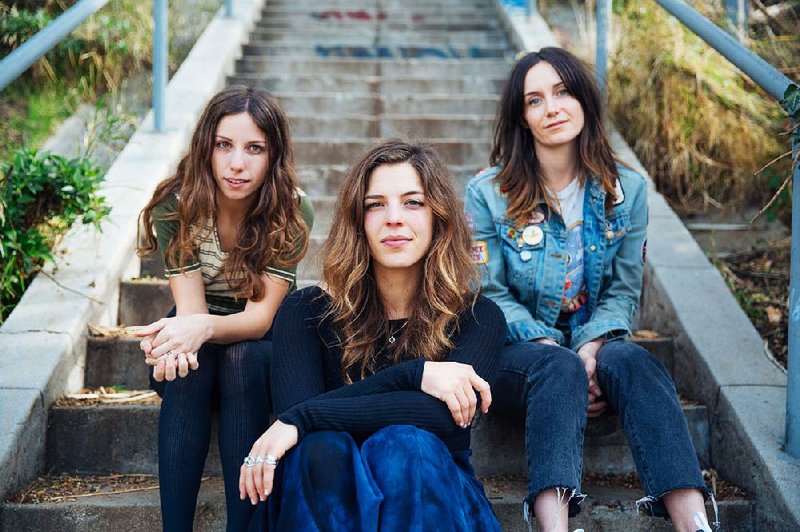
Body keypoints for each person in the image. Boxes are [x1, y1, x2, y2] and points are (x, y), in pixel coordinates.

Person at [464, 48, 716, 532]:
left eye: (562, 92)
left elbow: (623, 291)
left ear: (583, 99)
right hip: (519, 357)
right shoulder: (487, 193)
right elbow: (488, 292)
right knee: (556, 365)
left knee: (634, 360)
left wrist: (592, 349)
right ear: (522, 118)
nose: (552, 108)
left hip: (594, 351)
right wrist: (556, 351)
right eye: (534, 100)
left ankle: (694, 524)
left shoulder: (629, 192)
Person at [239, 140, 506, 531]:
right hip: (327, 499)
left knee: (406, 446)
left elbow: (439, 417)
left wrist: (307, 416)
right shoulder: (306, 312)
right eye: (375, 204)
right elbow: (301, 421)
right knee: (319, 449)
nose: (394, 218)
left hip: (433, 501)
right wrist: (416, 377)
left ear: (438, 217)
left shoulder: (478, 317)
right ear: (358, 221)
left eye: (413, 202)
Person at [135, 85, 314, 531]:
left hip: (260, 351)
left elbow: (259, 320)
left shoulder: (290, 210)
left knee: (241, 356)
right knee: (186, 365)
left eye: (255, 148)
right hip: (199, 338)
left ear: (274, 156)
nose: (237, 164)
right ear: (206, 148)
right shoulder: (177, 205)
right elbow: (191, 312)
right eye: (225, 146)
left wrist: (194, 331)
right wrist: (176, 344)